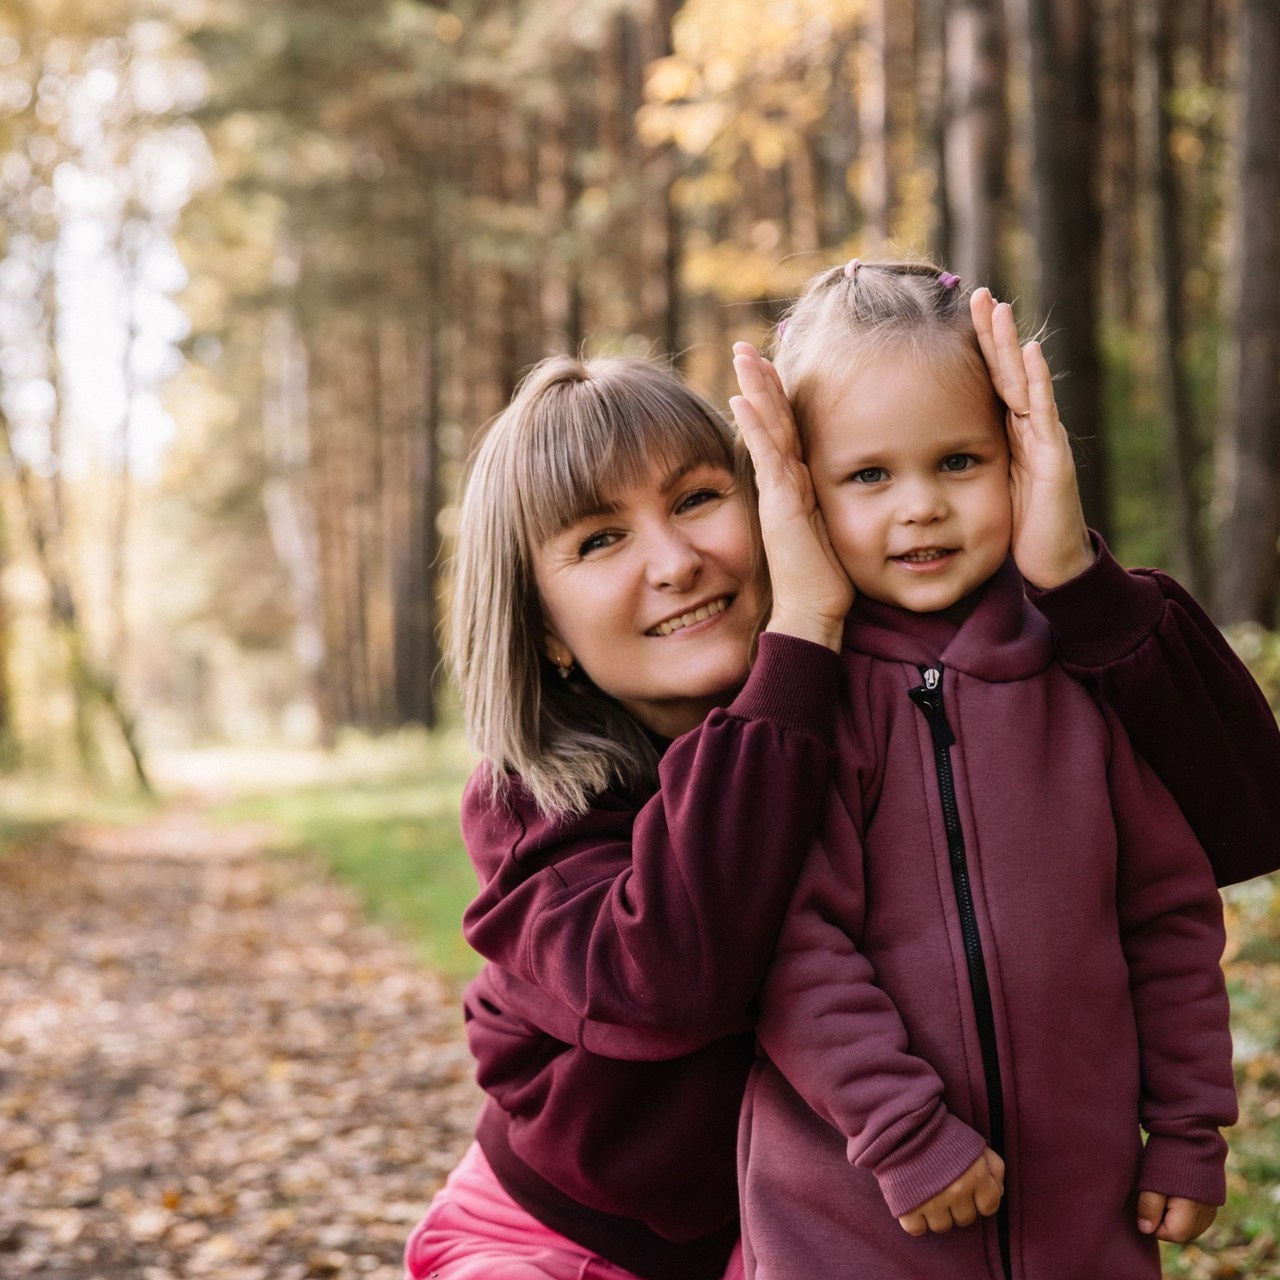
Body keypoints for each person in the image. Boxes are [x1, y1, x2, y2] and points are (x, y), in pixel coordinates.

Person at [404, 322, 1276, 1280]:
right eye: (601, 540)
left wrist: (1076, 585)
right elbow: (680, 976)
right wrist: (805, 629)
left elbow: (1235, 818)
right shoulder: (529, 802)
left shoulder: (872, 697)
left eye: (699, 499)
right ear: (547, 631)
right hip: (562, 1237)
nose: (675, 560)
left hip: (788, 1234)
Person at [735, 259, 1238, 1280]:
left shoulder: (1081, 679)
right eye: (868, 475)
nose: (918, 506)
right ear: (801, 489)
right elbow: (787, 942)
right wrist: (902, 1128)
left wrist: (1187, 1124)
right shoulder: (802, 704)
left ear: (1016, 457)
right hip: (854, 1223)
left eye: (956, 461)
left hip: (1080, 1224)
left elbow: (1166, 915)